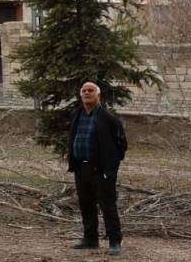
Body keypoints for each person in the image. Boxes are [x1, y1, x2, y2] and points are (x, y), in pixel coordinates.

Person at [68, 81, 127, 255]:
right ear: (81, 95)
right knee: (86, 205)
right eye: (84, 91)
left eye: (91, 90)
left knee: (107, 205)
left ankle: (115, 241)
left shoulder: (108, 118)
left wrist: (111, 166)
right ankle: (90, 239)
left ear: (98, 95)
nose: (87, 93)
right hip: (81, 168)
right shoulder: (77, 115)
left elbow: (121, 144)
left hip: (101, 171)